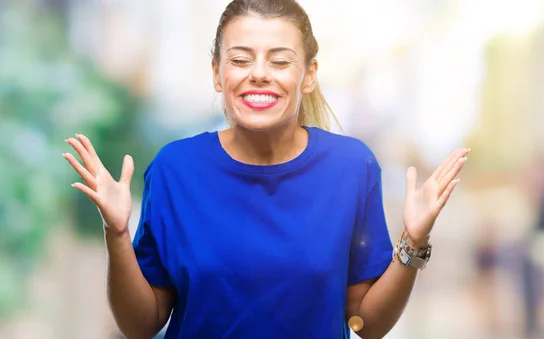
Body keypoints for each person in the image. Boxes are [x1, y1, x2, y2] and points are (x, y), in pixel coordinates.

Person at [62, 0, 468, 338]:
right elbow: (141, 325)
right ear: (217, 74)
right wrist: (116, 234)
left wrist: (414, 241)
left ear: (308, 75)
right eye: (240, 59)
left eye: (279, 61)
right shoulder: (174, 170)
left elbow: (367, 322)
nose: (258, 74)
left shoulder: (351, 168)